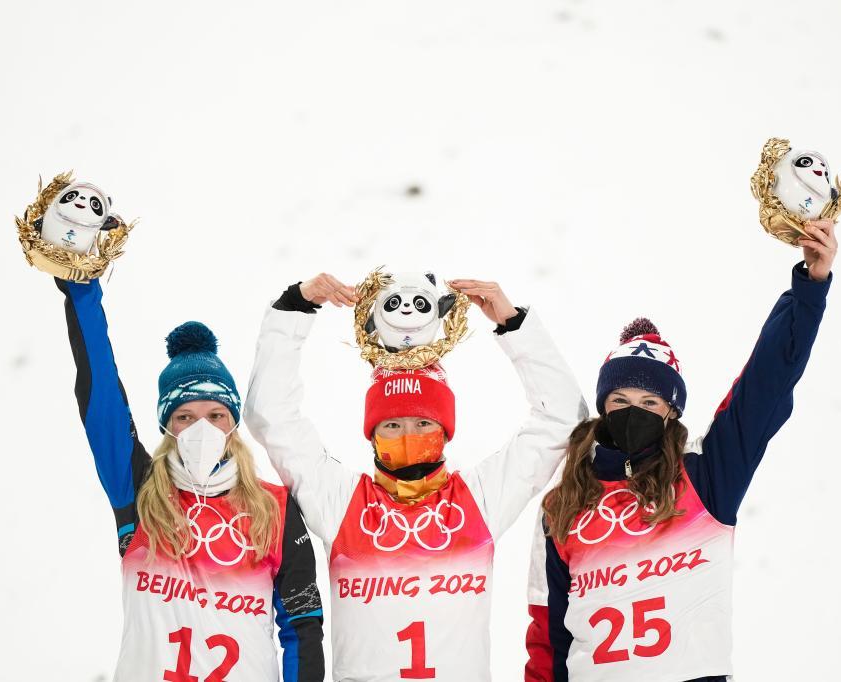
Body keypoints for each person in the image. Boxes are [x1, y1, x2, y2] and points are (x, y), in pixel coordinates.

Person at [524, 220, 839, 681]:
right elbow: (547, 636)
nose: (635, 412)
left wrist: (809, 289)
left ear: (671, 412)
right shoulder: (562, 505)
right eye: (621, 401)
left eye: (650, 402)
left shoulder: (706, 475)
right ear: (602, 409)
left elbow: (765, 385)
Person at [244, 274, 588, 681]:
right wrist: (295, 307)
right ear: (371, 433)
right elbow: (271, 417)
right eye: (391, 425)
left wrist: (513, 326)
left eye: (423, 422)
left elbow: (564, 418)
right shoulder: (341, 502)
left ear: (445, 431)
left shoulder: (478, 501)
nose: (408, 436)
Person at [53, 276, 324, 681]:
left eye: (215, 416)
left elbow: (302, 626)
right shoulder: (138, 489)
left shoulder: (275, 508)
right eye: (185, 417)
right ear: (167, 425)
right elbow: (102, 395)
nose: (203, 430)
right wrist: (82, 288)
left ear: (233, 423)